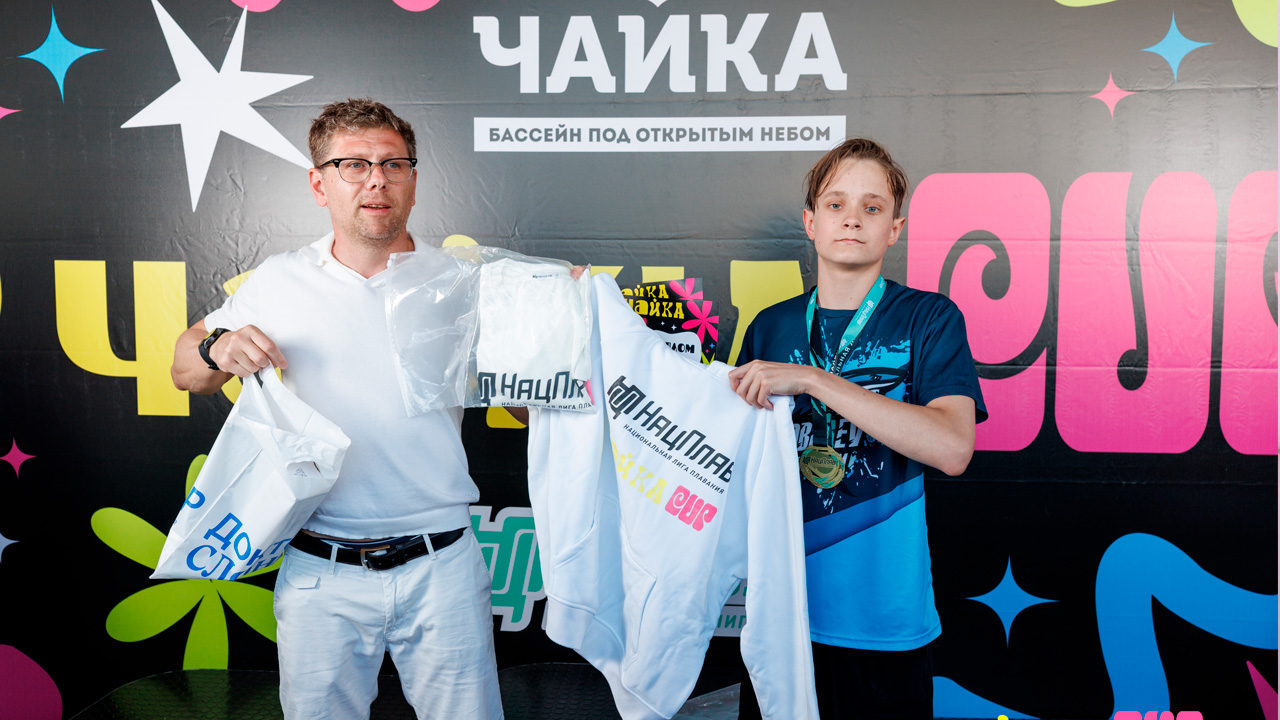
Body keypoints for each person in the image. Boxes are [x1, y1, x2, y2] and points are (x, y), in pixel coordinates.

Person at [171, 98, 504, 720]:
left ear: (413, 181)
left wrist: (561, 323)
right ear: (319, 183)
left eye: (393, 164)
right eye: (354, 164)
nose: (376, 180)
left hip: (444, 566)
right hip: (319, 570)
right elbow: (185, 369)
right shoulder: (279, 280)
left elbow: (536, 400)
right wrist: (218, 345)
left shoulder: (464, 282)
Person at [727, 138, 988, 719]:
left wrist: (814, 380)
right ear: (810, 222)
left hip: (883, 621)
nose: (852, 218)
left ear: (895, 229)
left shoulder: (929, 318)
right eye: (836, 204)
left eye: (872, 207)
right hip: (781, 617)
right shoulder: (770, 327)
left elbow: (952, 447)